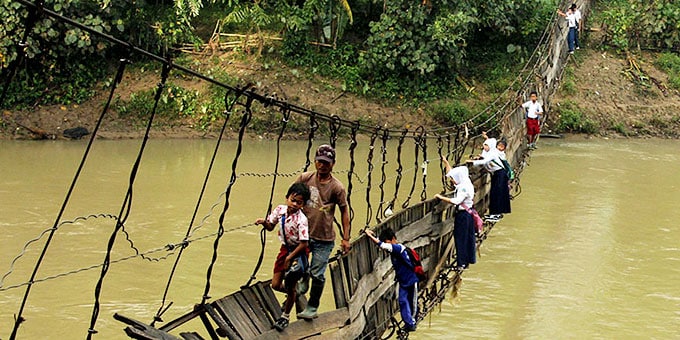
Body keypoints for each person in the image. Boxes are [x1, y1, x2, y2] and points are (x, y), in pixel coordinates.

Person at [295, 144, 351, 320]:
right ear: (315, 161)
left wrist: (346, 238)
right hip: (303, 234)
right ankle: (303, 278)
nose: (322, 165)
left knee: (318, 274)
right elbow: (292, 197)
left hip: (324, 238)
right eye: (319, 161)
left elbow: (344, 211)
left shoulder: (337, 188)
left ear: (333, 164)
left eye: (326, 163)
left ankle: (312, 306)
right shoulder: (305, 178)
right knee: (300, 266)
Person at [255, 183, 311, 331]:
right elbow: (271, 226)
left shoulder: (302, 220)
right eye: (293, 200)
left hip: (298, 252)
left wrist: (289, 258)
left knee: (291, 283)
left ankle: (285, 316)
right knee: (275, 284)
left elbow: (304, 244)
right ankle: (294, 293)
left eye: (299, 202)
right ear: (287, 198)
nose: (295, 204)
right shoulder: (280, 210)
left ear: (303, 205)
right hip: (285, 249)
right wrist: (264, 223)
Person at [365, 228, 418, 332]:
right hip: (403, 282)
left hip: (411, 280)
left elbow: (383, 245)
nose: (387, 246)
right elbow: (383, 244)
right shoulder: (394, 249)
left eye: (388, 242)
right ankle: (408, 323)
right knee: (402, 301)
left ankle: (412, 323)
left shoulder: (398, 248)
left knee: (413, 302)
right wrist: (374, 236)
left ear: (393, 239)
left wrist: (369, 235)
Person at [435, 164, 476, 270]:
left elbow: (457, 201)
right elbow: (452, 174)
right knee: (468, 237)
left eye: (453, 178)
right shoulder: (466, 182)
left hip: (463, 216)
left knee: (460, 238)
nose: (452, 181)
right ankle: (466, 261)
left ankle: (461, 263)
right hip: (469, 213)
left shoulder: (463, 187)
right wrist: (445, 163)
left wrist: (441, 197)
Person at [466, 137, 511, 220]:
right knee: (495, 193)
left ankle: (496, 215)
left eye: (486, 145)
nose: (485, 147)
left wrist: (472, 162)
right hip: (496, 174)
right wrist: (479, 157)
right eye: (484, 145)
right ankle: (495, 213)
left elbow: (484, 161)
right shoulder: (490, 152)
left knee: (497, 194)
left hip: (500, 174)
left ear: (491, 146)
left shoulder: (493, 153)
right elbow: (484, 157)